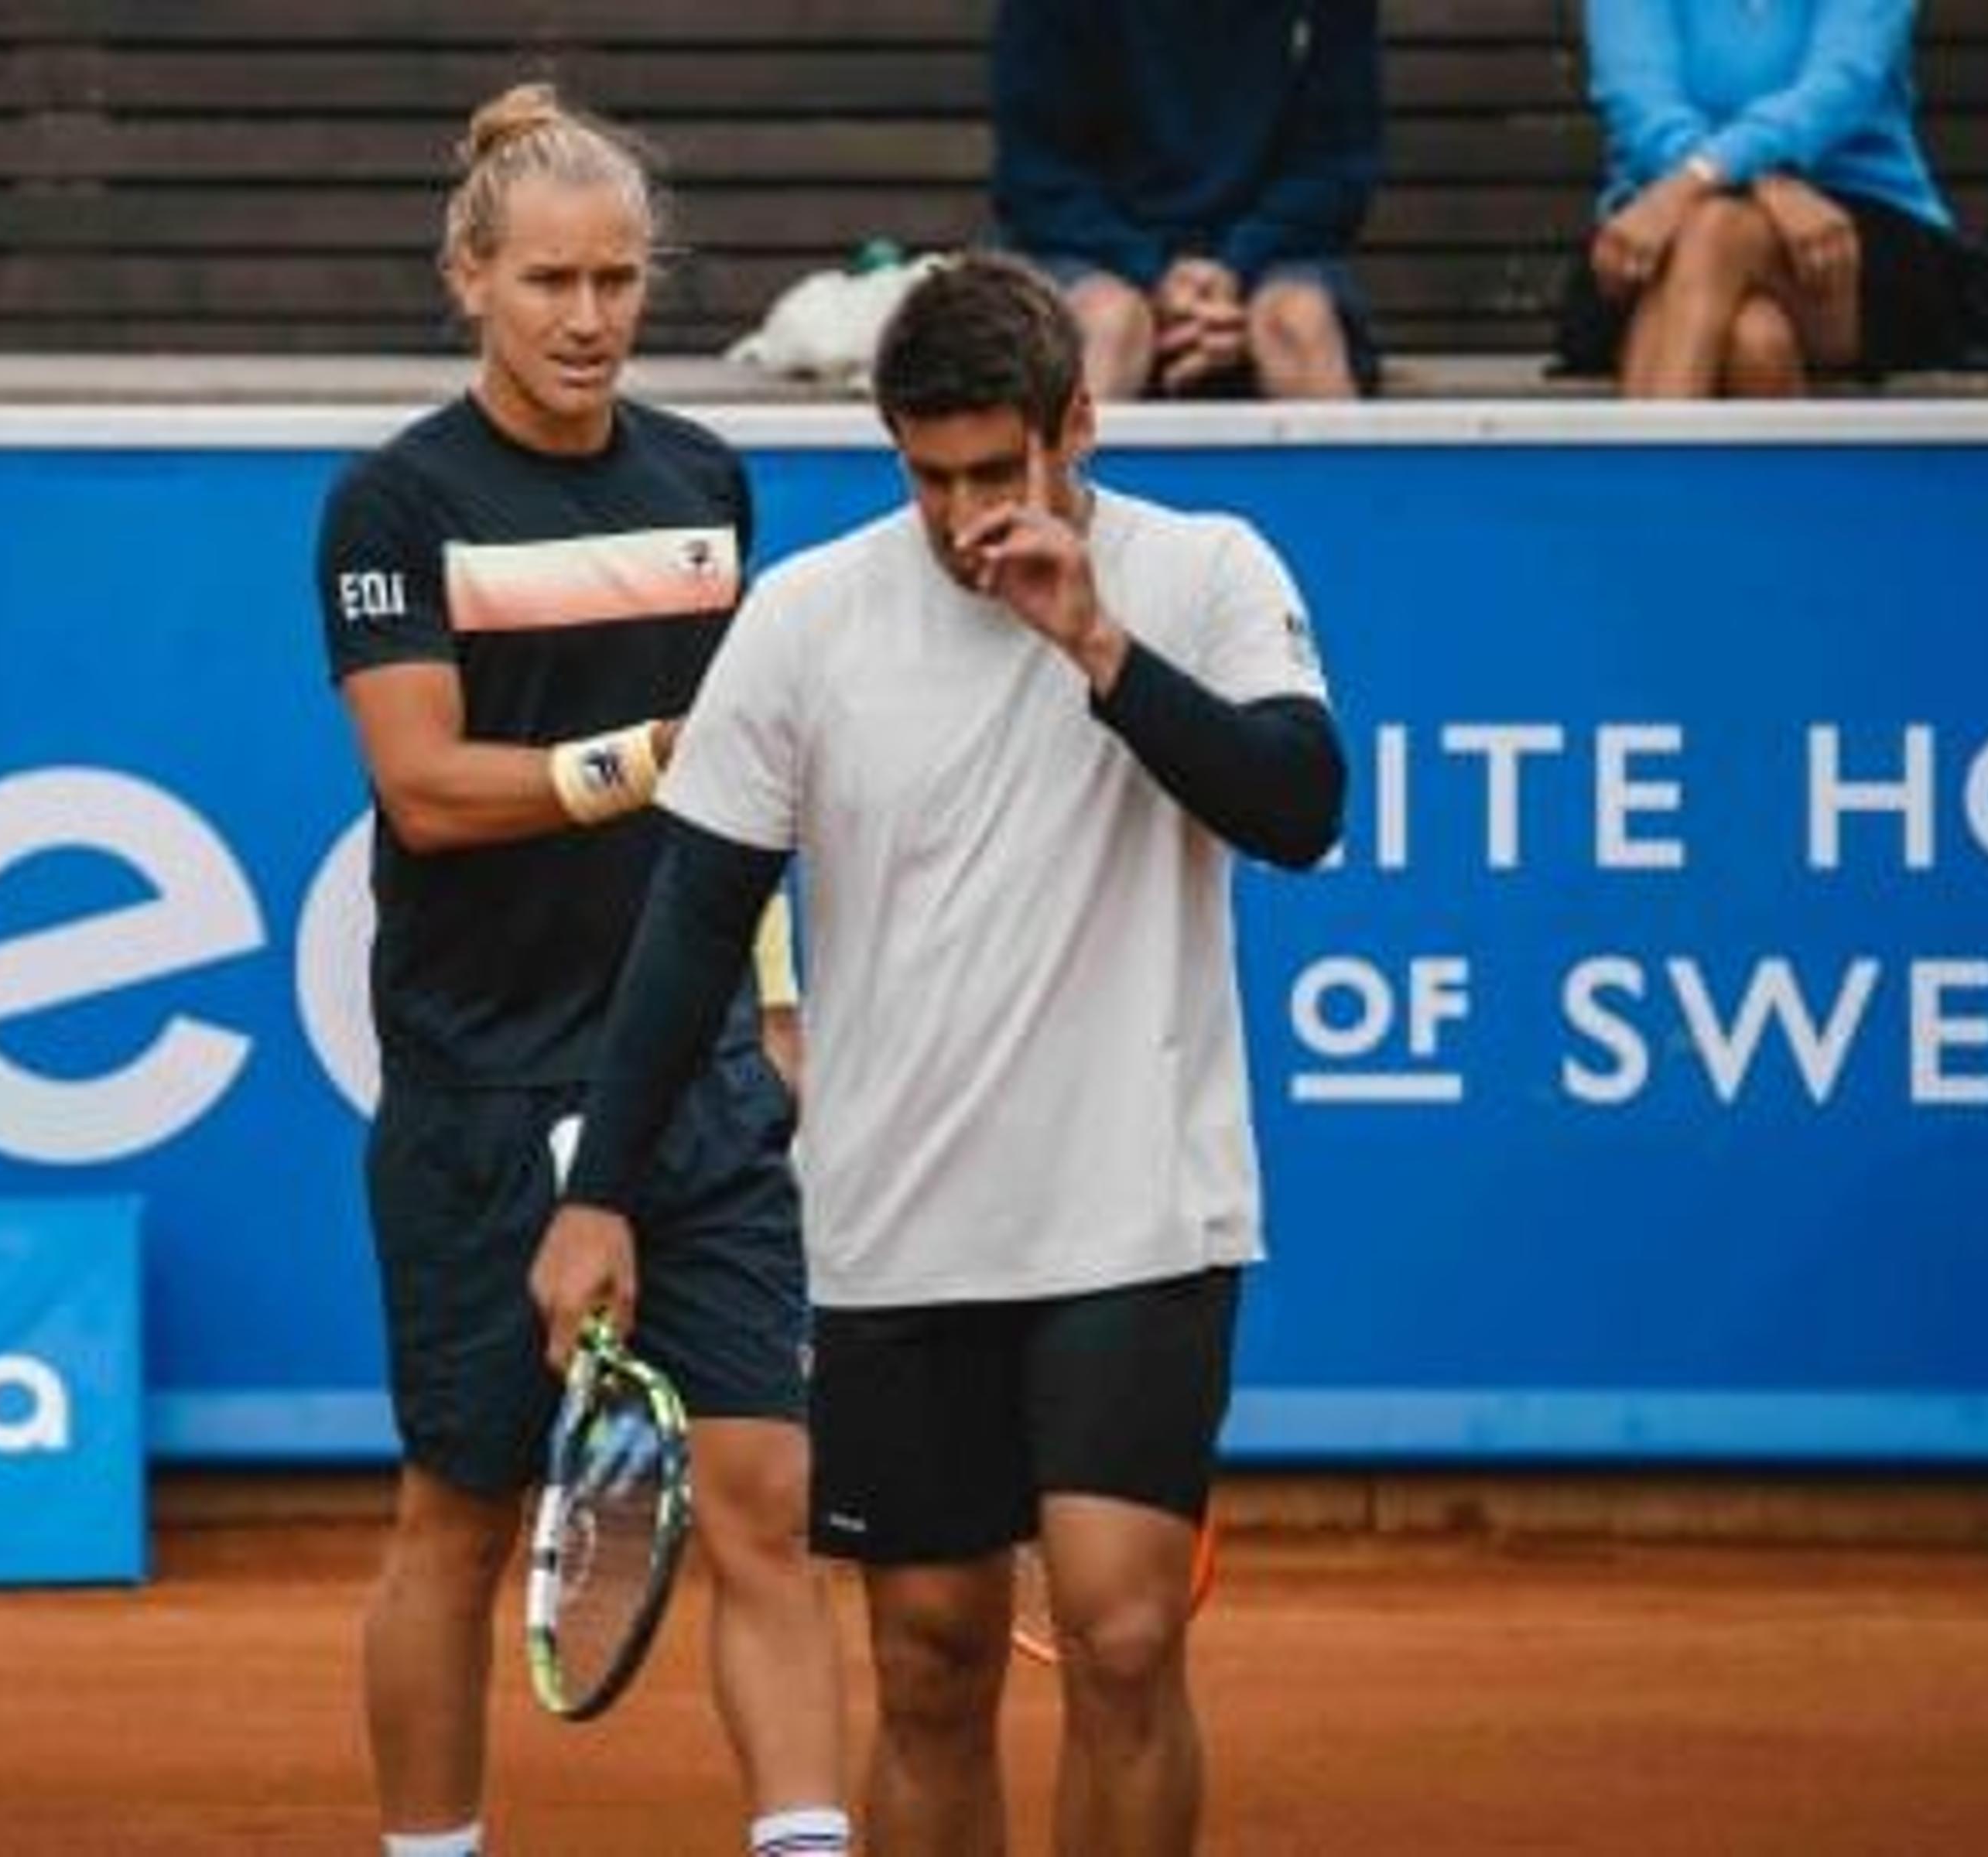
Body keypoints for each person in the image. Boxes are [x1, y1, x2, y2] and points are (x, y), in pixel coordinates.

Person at [532, 254, 1347, 1855]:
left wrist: (1099, 646)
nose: (965, 514)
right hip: (899, 1221)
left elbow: (1299, 807)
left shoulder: (1208, 573)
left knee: (1123, 1632)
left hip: (1142, 1207)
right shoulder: (810, 619)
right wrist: (600, 1194)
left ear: (1078, 430)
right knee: (929, 1663)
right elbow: (693, 923)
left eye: (996, 471)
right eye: (929, 477)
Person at [311, 83, 847, 1857]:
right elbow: (423, 785)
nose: (589, 314)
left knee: (765, 1495)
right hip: (479, 1091)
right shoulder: (392, 506)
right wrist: (655, 752)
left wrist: (769, 1009)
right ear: (468, 277)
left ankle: (804, 1834)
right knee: (455, 1520)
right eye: (548, 278)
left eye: (619, 277)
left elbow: (749, 806)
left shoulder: (705, 481)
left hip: (690, 1077)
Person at [1555, 0, 1968, 397]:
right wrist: (1757, 181)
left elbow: (1838, 87)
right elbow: (1641, 106)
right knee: (1755, 342)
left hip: (1858, 233)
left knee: (1717, 230)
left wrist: (1701, 178)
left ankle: (1648, 470)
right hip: (1656, 237)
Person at [990, 0, 1385, 402]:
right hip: (1096, 256)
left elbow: (1337, 167)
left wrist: (1236, 269)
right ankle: (1064, 467)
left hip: (1271, 259)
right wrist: (1152, 275)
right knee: (1107, 324)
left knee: (1298, 324)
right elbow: (1036, 176)